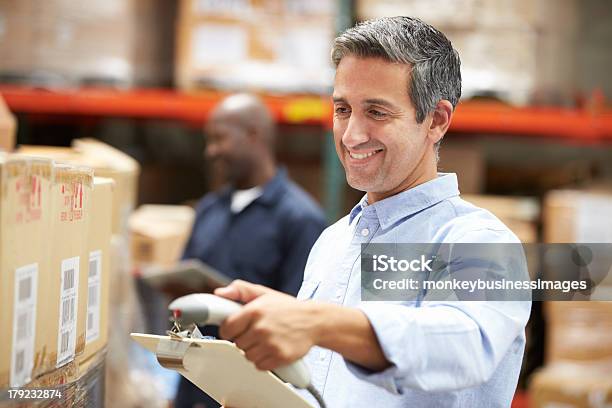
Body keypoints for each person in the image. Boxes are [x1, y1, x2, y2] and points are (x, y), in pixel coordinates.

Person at [211, 17, 531, 407]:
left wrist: (315, 323)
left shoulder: (479, 242)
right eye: (343, 109)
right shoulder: (332, 242)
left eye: (377, 113)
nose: (351, 135)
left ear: (436, 120)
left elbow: (464, 345)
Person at [174, 93, 327, 408]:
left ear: (253, 135)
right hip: (192, 384)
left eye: (219, 139)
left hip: (250, 388)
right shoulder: (209, 209)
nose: (211, 151)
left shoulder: (300, 218)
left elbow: (298, 315)